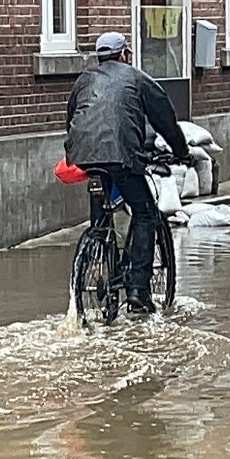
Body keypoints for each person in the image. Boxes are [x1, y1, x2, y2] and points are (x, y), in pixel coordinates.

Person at [65, 31, 190, 312]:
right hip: (122, 156)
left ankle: (99, 245)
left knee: (102, 202)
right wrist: (182, 152)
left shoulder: (84, 80)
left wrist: (77, 151)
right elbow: (165, 118)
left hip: (83, 155)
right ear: (124, 55)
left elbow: (72, 116)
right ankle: (138, 290)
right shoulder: (136, 77)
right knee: (145, 212)